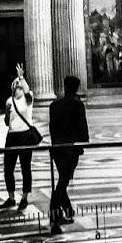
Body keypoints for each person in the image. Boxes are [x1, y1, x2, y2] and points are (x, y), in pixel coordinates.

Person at [49, 74, 89, 231]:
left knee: (63, 178)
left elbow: (52, 129)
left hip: (57, 148)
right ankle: (54, 212)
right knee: (63, 180)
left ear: (65, 87)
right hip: (71, 149)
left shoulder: (54, 105)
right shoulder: (77, 104)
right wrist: (84, 142)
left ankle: (67, 209)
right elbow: (82, 126)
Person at [2, 64, 39, 210]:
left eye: (20, 86)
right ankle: (11, 197)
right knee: (8, 168)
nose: (19, 88)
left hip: (25, 135)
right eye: (16, 85)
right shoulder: (9, 101)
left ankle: (24, 197)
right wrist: (7, 111)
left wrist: (21, 77)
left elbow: (28, 90)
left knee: (25, 167)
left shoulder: (28, 99)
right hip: (11, 135)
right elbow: (7, 122)